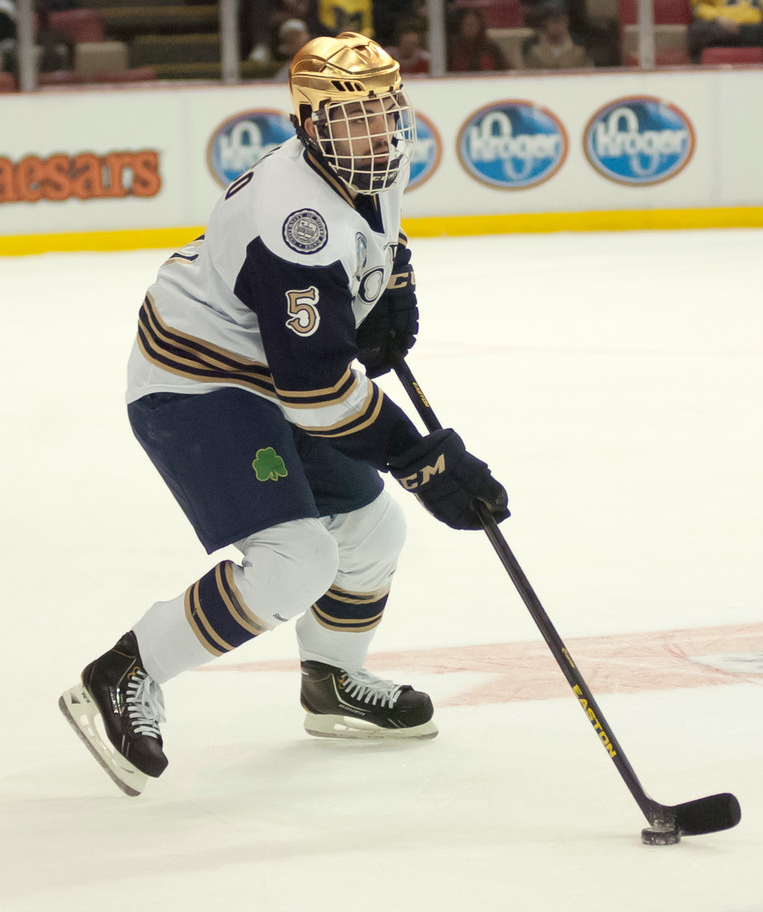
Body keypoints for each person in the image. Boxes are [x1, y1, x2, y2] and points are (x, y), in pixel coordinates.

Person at [59, 31, 509, 796]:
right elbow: (320, 394)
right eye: (352, 120)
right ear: (307, 124)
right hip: (197, 383)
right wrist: (422, 461)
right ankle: (123, 672)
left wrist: (391, 286)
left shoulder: (369, 165)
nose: (377, 135)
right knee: (298, 561)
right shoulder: (292, 223)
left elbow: (379, 238)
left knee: (372, 532)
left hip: (268, 373)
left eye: (386, 115)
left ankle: (332, 681)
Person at [687, 0, 763, 63]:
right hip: (722, 27)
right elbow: (698, 7)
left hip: (755, 26)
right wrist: (718, 18)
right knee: (697, 30)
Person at [522, 1, 593, 70]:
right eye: (551, 20)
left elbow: (589, 75)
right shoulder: (533, 50)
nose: (556, 24)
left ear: (566, 21)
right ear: (544, 23)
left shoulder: (579, 49)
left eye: (559, 19)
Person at [447, 5, 509, 72]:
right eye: (467, 24)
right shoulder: (452, 48)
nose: (471, 28)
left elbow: (506, 70)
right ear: (461, 26)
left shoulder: (490, 47)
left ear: (480, 25)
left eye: (474, 24)